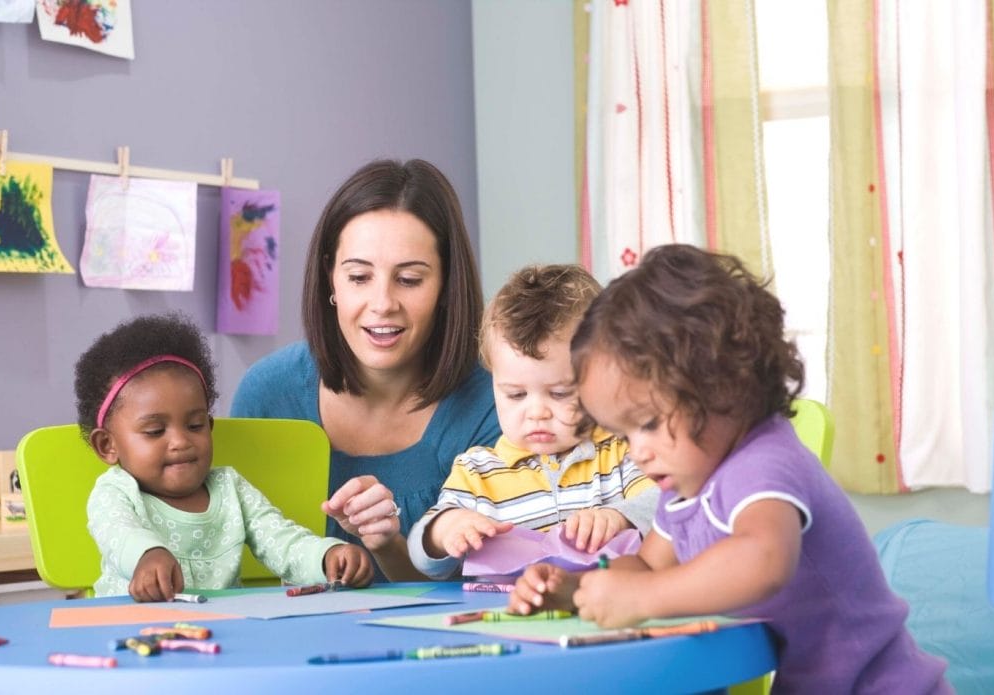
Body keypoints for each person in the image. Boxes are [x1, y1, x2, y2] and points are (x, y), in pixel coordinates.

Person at [508, 245, 950, 693]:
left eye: (649, 424)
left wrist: (642, 598)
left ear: (721, 382)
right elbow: (646, 565)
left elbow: (763, 558)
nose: (638, 451)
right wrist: (576, 590)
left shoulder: (765, 461)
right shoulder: (686, 485)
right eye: (624, 434)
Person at [231, 159, 502, 581]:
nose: (382, 304)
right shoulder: (267, 394)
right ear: (331, 279)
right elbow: (232, 565)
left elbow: (484, 590)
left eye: (409, 280)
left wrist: (387, 544)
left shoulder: (495, 405)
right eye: (359, 277)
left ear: (446, 286)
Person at [76, 313, 374, 601]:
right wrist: (147, 555)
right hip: (133, 626)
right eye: (155, 431)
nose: (180, 441)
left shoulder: (230, 488)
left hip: (221, 627)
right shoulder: (115, 492)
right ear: (107, 445)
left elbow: (281, 540)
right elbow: (119, 534)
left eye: (195, 425)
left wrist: (326, 556)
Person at [407, 264, 658, 580]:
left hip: (600, 602)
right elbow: (421, 555)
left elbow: (668, 505)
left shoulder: (619, 451)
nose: (536, 412)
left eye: (559, 393)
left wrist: (619, 516)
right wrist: (446, 529)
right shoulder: (477, 473)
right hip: (505, 608)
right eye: (515, 395)